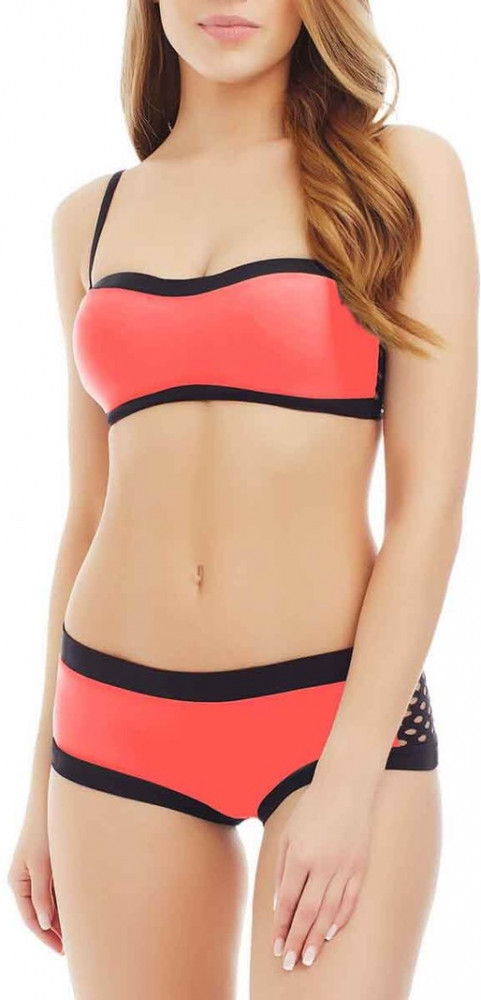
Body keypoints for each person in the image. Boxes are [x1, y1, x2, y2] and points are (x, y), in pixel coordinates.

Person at [7, 1, 478, 997]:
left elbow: (429, 505)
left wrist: (348, 781)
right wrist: (40, 782)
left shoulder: (400, 174)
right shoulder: (87, 218)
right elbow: (86, 509)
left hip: (333, 716)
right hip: (113, 725)